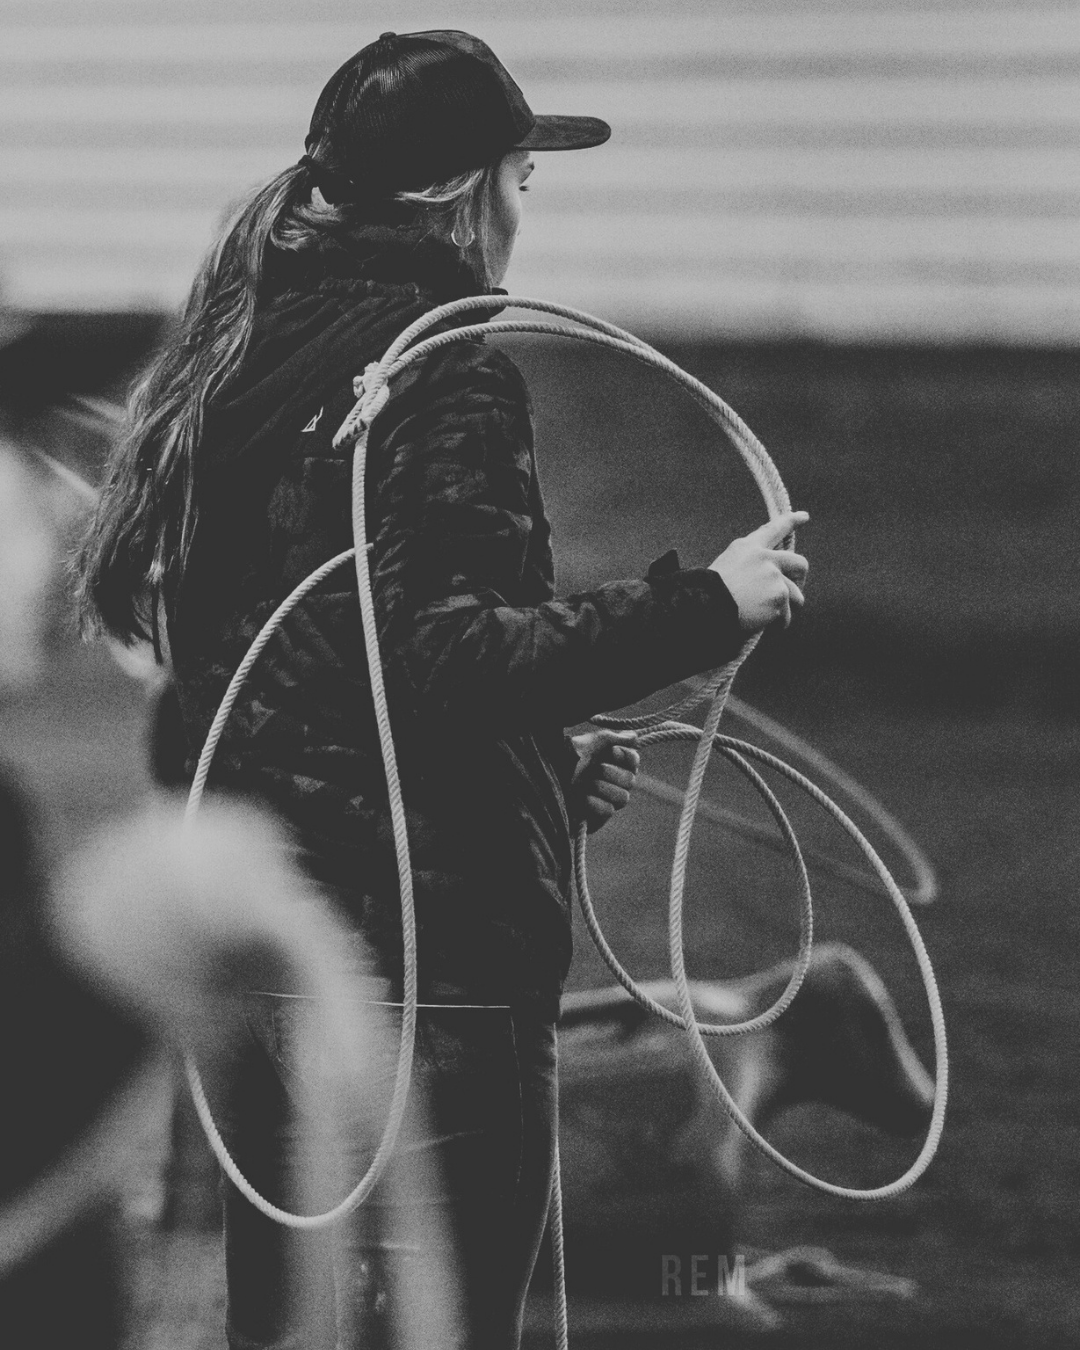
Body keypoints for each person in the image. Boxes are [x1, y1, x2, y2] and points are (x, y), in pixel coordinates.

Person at [76, 29, 808, 1350]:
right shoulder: (443, 367)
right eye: (525, 172)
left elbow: (279, 681)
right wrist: (707, 602)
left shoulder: (236, 357)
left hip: (271, 938)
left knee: (291, 1328)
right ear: (466, 189)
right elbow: (447, 656)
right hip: (430, 969)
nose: (528, 204)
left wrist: (533, 765)